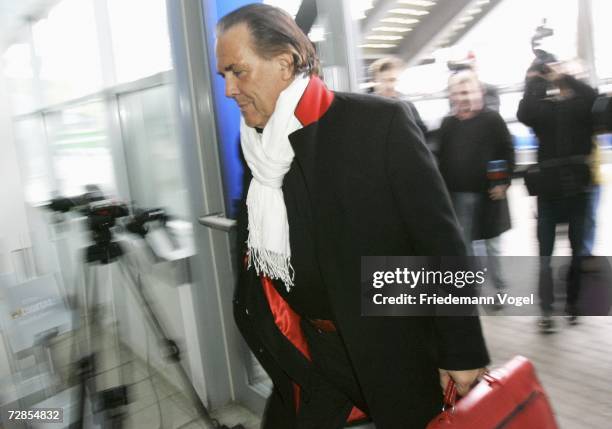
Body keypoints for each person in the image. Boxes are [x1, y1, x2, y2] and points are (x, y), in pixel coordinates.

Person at [215, 4, 489, 428]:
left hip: (390, 350)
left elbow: (441, 244)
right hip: (308, 352)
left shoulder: (377, 125)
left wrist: (462, 352)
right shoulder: (254, 146)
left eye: (239, 71)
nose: (230, 88)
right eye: (224, 76)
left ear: (285, 62)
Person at [517, 59, 598, 331]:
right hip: (549, 193)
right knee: (544, 255)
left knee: (576, 252)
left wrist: (566, 78)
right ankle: (546, 311)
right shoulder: (544, 110)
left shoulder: (581, 107)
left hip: (578, 190)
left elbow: (593, 97)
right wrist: (536, 80)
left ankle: (572, 306)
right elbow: (524, 112)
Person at [437, 70, 514, 296]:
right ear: (452, 96)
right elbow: (441, 158)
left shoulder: (492, 120)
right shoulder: (448, 124)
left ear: (479, 93)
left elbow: (506, 152)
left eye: (468, 91)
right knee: (465, 245)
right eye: (459, 93)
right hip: (459, 196)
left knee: (492, 245)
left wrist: (502, 183)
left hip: (490, 194)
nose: (464, 97)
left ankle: (499, 288)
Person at [369, 56, 428, 136]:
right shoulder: (368, 107)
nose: (389, 85)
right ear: (374, 82)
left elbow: (421, 131)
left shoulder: (407, 105)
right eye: (383, 81)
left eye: (392, 80)